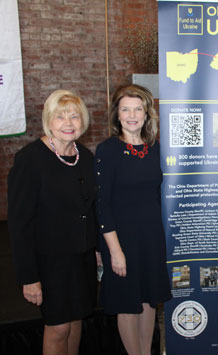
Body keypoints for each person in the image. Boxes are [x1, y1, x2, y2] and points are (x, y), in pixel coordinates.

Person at [8, 90, 97, 355]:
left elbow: (90, 210)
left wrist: (97, 249)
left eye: (74, 116)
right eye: (60, 116)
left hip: (81, 260)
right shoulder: (29, 161)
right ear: (49, 120)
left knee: (77, 319)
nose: (68, 123)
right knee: (58, 328)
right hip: (49, 263)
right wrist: (29, 278)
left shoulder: (85, 157)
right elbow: (19, 225)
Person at [95, 84, 172, 355]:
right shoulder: (107, 150)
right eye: (125, 109)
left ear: (147, 113)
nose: (131, 115)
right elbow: (101, 206)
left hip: (150, 238)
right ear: (116, 114)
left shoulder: (154, 148)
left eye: (137, 109)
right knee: (128, 303)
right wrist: (114, 252)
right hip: (121, 240)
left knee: (149, 301)